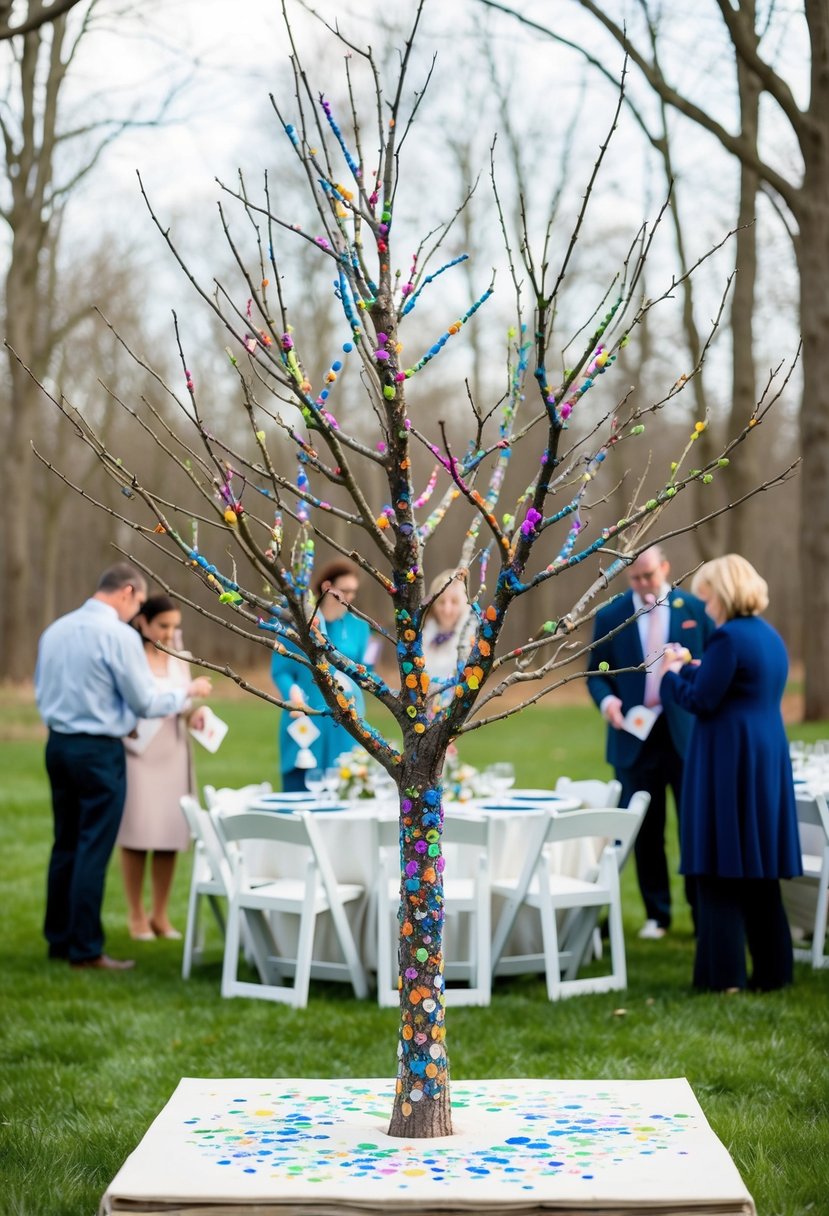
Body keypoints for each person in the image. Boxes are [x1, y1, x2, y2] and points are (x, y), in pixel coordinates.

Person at [35, 563, 212, 971]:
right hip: (98, 751)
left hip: (58, 745)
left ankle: (58, 939)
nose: (136, 614)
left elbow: (41, 688)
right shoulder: (117, 635)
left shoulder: (55, 630)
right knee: (92, 846)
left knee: (65, 842)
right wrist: (185, 690)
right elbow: (145, 703)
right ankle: (85, 949)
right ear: (128, 592)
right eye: (137, 605)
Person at [660, 554, 802, 991]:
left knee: (720, 868)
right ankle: (774, 972)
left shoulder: (726, 638)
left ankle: (723, 978)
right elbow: (734, 683)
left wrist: (669, 675)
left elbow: (703, 701)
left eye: (707, 596)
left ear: (721, 593)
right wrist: (692, 666)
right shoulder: (768, 636)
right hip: (764, 756)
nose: (704, 606)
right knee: (758, 872)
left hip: (729, 760)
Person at [586, 546, 713, 939]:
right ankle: (657, 915)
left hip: (686, 734)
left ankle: (702, 911)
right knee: (645, 829)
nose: (643, 585)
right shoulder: (611, 615)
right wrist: (609, 704)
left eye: (649, 576)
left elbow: (711, 663)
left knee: (694, 826)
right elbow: (595, 674)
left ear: (666, 568)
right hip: (633, 736)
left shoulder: (694, 609)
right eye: (635, 578)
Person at [117, 595, 206, 941]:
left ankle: (160, 914)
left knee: (169, 836)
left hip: (173, 750)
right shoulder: (130, 658)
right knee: (138, 834)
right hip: (138, 752)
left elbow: (185, 703)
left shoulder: (179, 658)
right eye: (162, 626)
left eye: (174, 626)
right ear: (143, 623)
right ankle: (136, 914)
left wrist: (194, 713)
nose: (169, 634)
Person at [271, 560, 371, 791]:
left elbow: (364, 669)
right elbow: (281, 670)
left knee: (343, 783)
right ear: (327, 587)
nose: (349, 597)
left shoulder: (359, 628)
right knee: (304, 780)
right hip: (306, 712)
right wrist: (292, 694)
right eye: (344, 591)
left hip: (346, 716)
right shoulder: (297, 622)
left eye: (353, 592)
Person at [422, 569, 476, 705]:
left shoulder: (471, 640)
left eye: (454, 602)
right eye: (441, 602)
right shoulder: (424, 636)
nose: (447, 610)